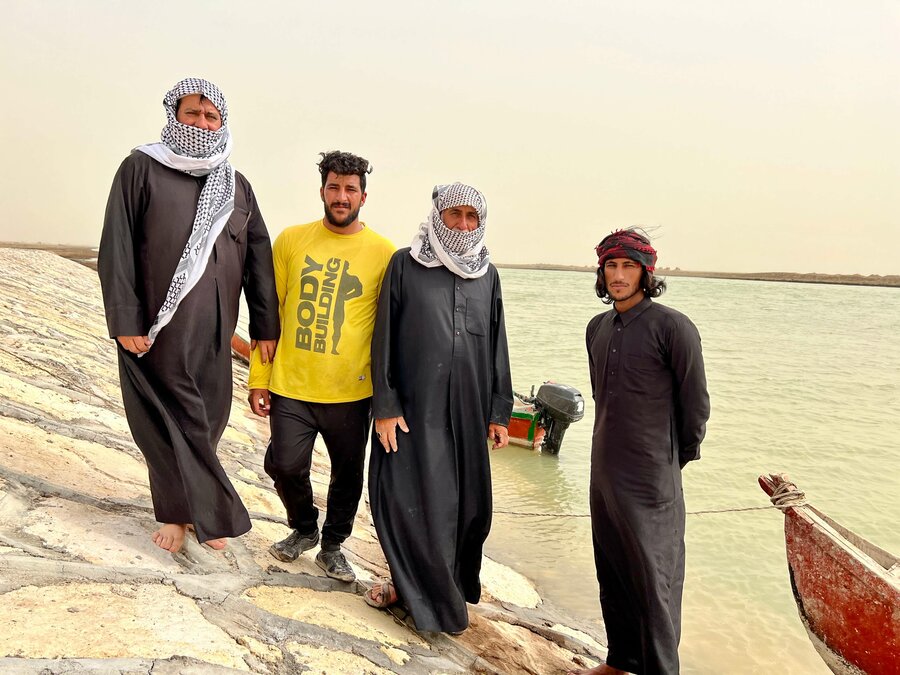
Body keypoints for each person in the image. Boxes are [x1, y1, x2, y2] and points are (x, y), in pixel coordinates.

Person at [98, 77, 279, 554]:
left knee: (210, 417)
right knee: (166, 420)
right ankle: (181, 515)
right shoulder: (142, 168)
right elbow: (116, 245)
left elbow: (259, 258)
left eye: (211, 116)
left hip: (218, 329)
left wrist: (265, 327)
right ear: (173, 114)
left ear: (223, 123)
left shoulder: (237, 185)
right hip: (159, 326)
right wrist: (125, 317)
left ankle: (200, 509)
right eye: (192, 114)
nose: (202, 123)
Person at [367, 182, 513, 634]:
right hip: (414, 408)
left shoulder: (486, 275)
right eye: (455, 215)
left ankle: (441, 586)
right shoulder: (405, 264)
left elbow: (497, 347)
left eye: (472, 216)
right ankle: (409, 589)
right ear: (437, 215)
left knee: (465, 508)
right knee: (407, 498)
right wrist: (386, 404)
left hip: (468, 414)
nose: (464, 225)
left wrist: (499, 412)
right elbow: (384, 337)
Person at [248, 151, 394, 583]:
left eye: (350, 189)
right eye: (334, 187)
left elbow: (391, 329)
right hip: (292, 383)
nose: (341, 196)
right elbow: (266, 315)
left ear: (363, 196)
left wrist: (389, 396)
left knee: (348, 477)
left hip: (351, 391)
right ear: (322, 191)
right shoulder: (291, 240)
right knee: (286, 464)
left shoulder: (385, 254)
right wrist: (260, 378)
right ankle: (304, 527)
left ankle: (332, 545)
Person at [575, 229, 710, 675]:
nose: (618, 275)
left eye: (627, 266)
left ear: (645, 272)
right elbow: (602, 398)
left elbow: (695, 408)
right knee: (611, 570)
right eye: (611, 266)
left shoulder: (673, 327)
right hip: (604, 474)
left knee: (656, 584)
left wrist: (671, 461)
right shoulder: (597, 327)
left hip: (652, 479)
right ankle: (620, 662)